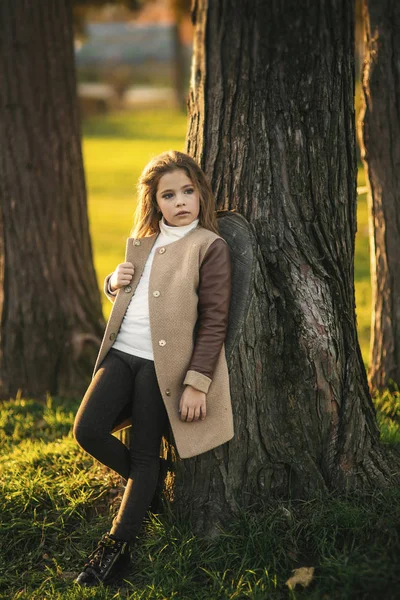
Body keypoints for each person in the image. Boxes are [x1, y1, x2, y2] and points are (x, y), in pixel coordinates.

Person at [72, 150, 234, 587]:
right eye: (169, 194)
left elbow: (215, 319)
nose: (180, 201)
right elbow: (136, 296)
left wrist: (197, 382)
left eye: (188, 191)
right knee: (87, 430)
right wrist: (112, 282)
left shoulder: (209, 247)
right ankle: (152, 478)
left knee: (144, 451)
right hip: (122, 353)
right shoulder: (143, 241)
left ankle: (116, 547)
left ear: (201, 194)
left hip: (163, 368)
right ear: (155, 202)